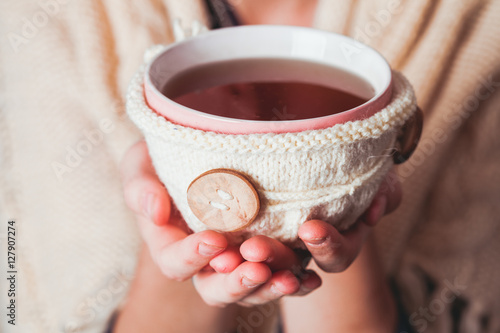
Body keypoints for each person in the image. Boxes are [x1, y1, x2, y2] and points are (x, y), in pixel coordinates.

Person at [1, 0, 499, 332]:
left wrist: (345, 193)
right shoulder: (54, 18)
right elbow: (36, 306)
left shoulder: (479, 21)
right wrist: (175, 207)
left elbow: (464, 311)